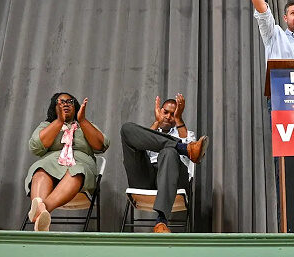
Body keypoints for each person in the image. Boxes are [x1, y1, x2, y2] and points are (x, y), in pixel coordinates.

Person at [120, 94, 208, 233]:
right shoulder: (147, 133)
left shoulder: (185, 132)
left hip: (174, 177)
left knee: (168, 152)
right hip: (147, 178)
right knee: (126, 128)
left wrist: (179, 119)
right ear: (159, 111)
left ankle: (161, 221)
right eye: (165, 112)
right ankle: (184, 149)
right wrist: (156, 123)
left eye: (173, 114)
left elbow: (189, 161)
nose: (168, 116)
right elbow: (140, 147)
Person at [25, 92, 109, 231]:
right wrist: (59, 121)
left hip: (80, 166)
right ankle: (42, 216)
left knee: (77, 171)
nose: (65, 104)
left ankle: (41, 211)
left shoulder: (85, 125)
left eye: (69, 101)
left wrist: (82, 120)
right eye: (61, 102)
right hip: (51, 164)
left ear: (75, 105)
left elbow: (101, 145)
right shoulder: (47, 125)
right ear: (54, 107)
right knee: (40, 169)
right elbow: (35, 146)